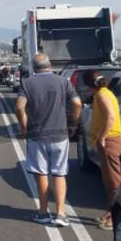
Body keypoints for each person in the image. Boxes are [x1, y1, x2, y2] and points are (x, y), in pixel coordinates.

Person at [15, 53, 82, 227]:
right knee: (59, 174)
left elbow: (19, 108)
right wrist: (73, 124)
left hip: (37, 136)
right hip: (60, 135)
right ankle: (61, 214)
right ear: (50, 65)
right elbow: (77, 104)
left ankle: (43, 212)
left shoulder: (27, 83)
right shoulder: (63, 82)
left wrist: (24, 129)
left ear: (34, 67)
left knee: (41, 174)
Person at [82, 70, 121, 230]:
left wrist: (101, 137)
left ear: (87, 84)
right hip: (109, 140)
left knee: (114, 182)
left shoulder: (102, 95)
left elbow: (111, 117)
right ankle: (109, 213)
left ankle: (115, 218)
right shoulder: (104, 93)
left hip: (110, 140)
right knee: (108, 181)